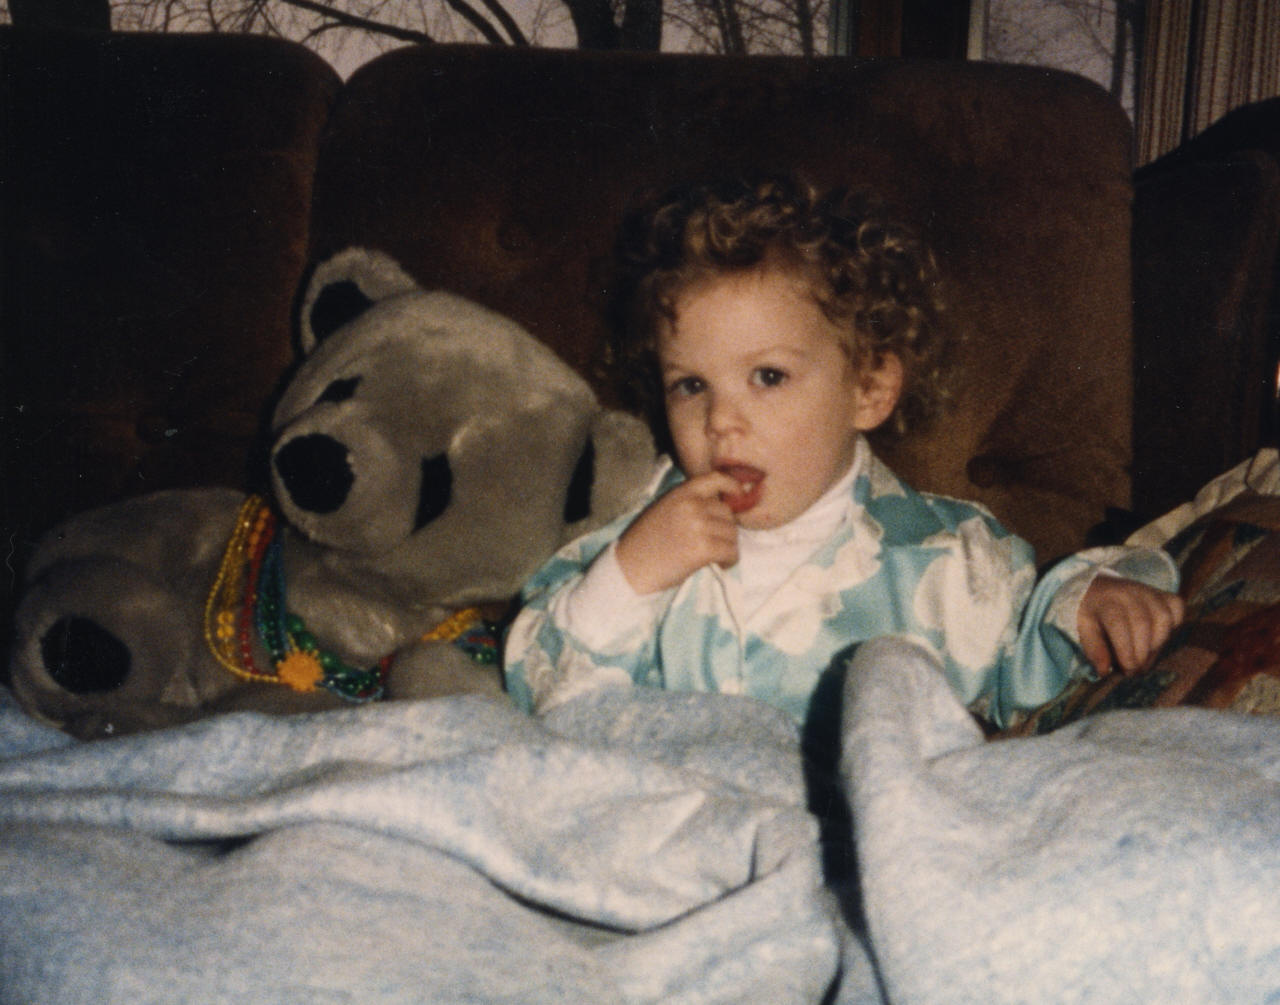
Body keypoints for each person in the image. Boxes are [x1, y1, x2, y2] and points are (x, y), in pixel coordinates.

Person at [502, 175, 1184, 731]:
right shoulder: (633, 533)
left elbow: (1025, 655)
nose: (721, 421)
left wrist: (1087, 601)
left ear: (869, 388)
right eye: (691, 385)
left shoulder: (948, 563)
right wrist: (628, 579)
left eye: (768, 376)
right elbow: (534, 688)